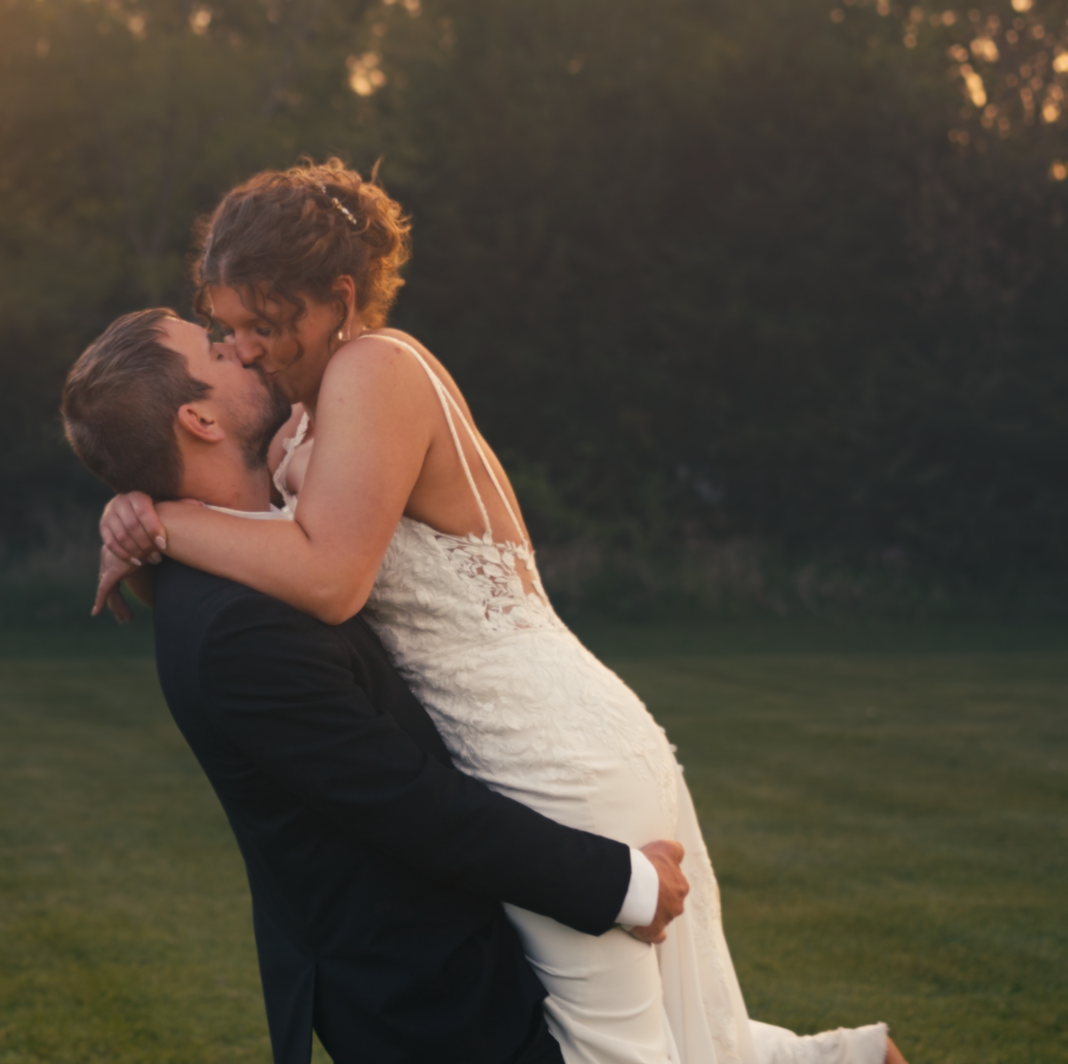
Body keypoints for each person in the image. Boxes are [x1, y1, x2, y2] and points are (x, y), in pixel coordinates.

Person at [90, 161, 899, 1064]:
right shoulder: (307, 423)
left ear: (339, 299)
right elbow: (258, 584)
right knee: (700, 1046)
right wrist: (145, 526)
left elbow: (328, 581)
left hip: (546, 755)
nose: (243, 349)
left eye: (261, 325)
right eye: (227, 330)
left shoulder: (375, 368)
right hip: (536, 746)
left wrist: (165, 519)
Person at [61, 308, 693, 1064]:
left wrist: (149, 512)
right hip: (434, 996)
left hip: (469, 943)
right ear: (198, 418)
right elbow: (412, 805)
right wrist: (622, 885)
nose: (242, 349)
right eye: (216, 349)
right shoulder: (236, 628)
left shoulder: (277, 537)